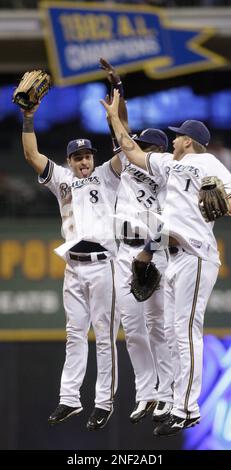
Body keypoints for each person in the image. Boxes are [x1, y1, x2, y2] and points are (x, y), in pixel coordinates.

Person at [100, 90, 231, 435]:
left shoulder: (210, 164)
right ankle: (177, 402)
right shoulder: (168, 165)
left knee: (186, 332)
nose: (172, 140)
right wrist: (115, 118)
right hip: (171, 257)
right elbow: (131, 150)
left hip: (196, 254)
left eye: (177, 137)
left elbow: (229, 199)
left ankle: (188, 409)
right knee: (174, 334)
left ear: (188, 141)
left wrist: (226, 200)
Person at [21, 102, 121, 431]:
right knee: (74, 335)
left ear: (93, 158)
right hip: (74, 268)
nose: (84, 162)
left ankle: (104, 402)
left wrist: (115, 117)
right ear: (69, 161)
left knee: (104, 338)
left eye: (87, 156)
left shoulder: (106, 175)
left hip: (103, 264)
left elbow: (126, 151)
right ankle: (70, 399)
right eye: (78, 157)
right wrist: (29, 118)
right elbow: (32, 156)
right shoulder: (60, 178)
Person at [101, 59, 173, 424]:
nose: (136, 147)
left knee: (159, 326)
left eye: (144, 145)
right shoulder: (128, 165)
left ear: (158, 151)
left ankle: (166, 393)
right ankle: (146, 393)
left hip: (153, 252)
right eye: (137, 143)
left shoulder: (165, 178)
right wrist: (118, 88)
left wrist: (149, 253)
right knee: (132, 331)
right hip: (124, 252)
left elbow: (168, 223)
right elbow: (122, 127)